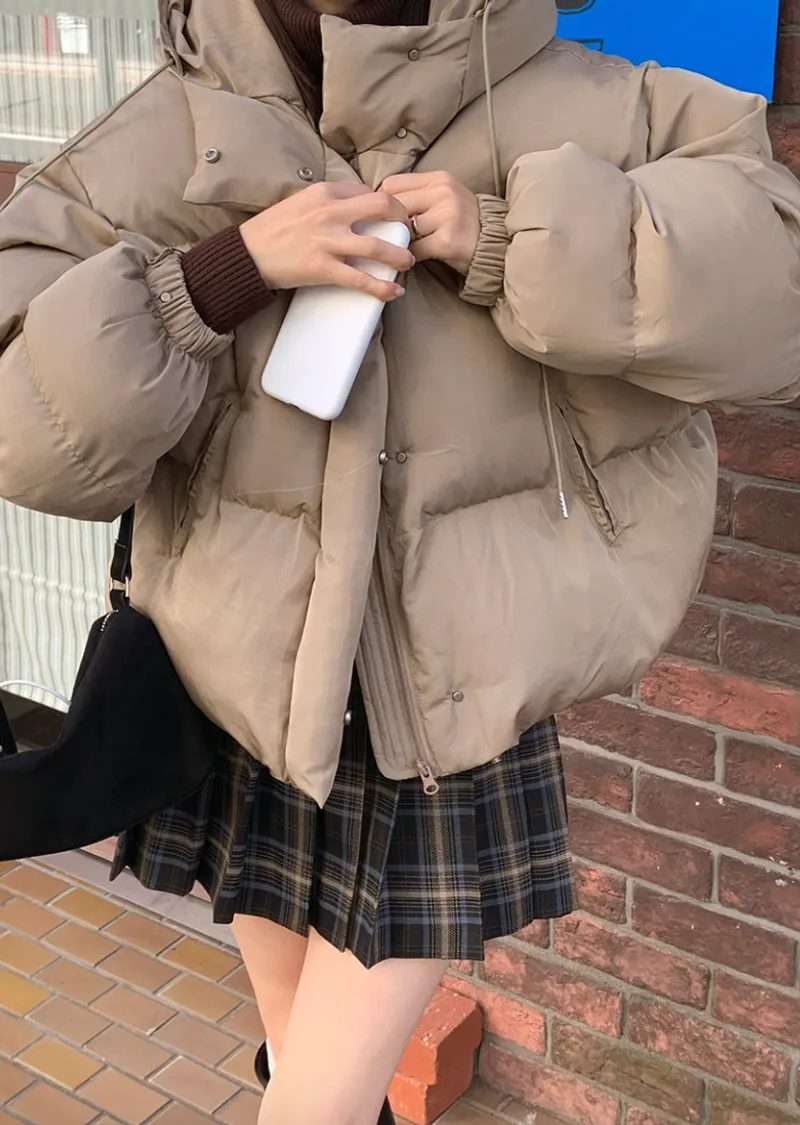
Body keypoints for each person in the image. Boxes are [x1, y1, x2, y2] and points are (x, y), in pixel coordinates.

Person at [1, 0, 800, 1121]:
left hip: (447, 702)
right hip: (234, 678)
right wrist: (216, 277)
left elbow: (774, 293)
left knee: (313, 1101)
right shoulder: (163, 128)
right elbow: (23, 424)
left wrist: (511, 240)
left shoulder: (605, 102)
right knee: (301, 1062)